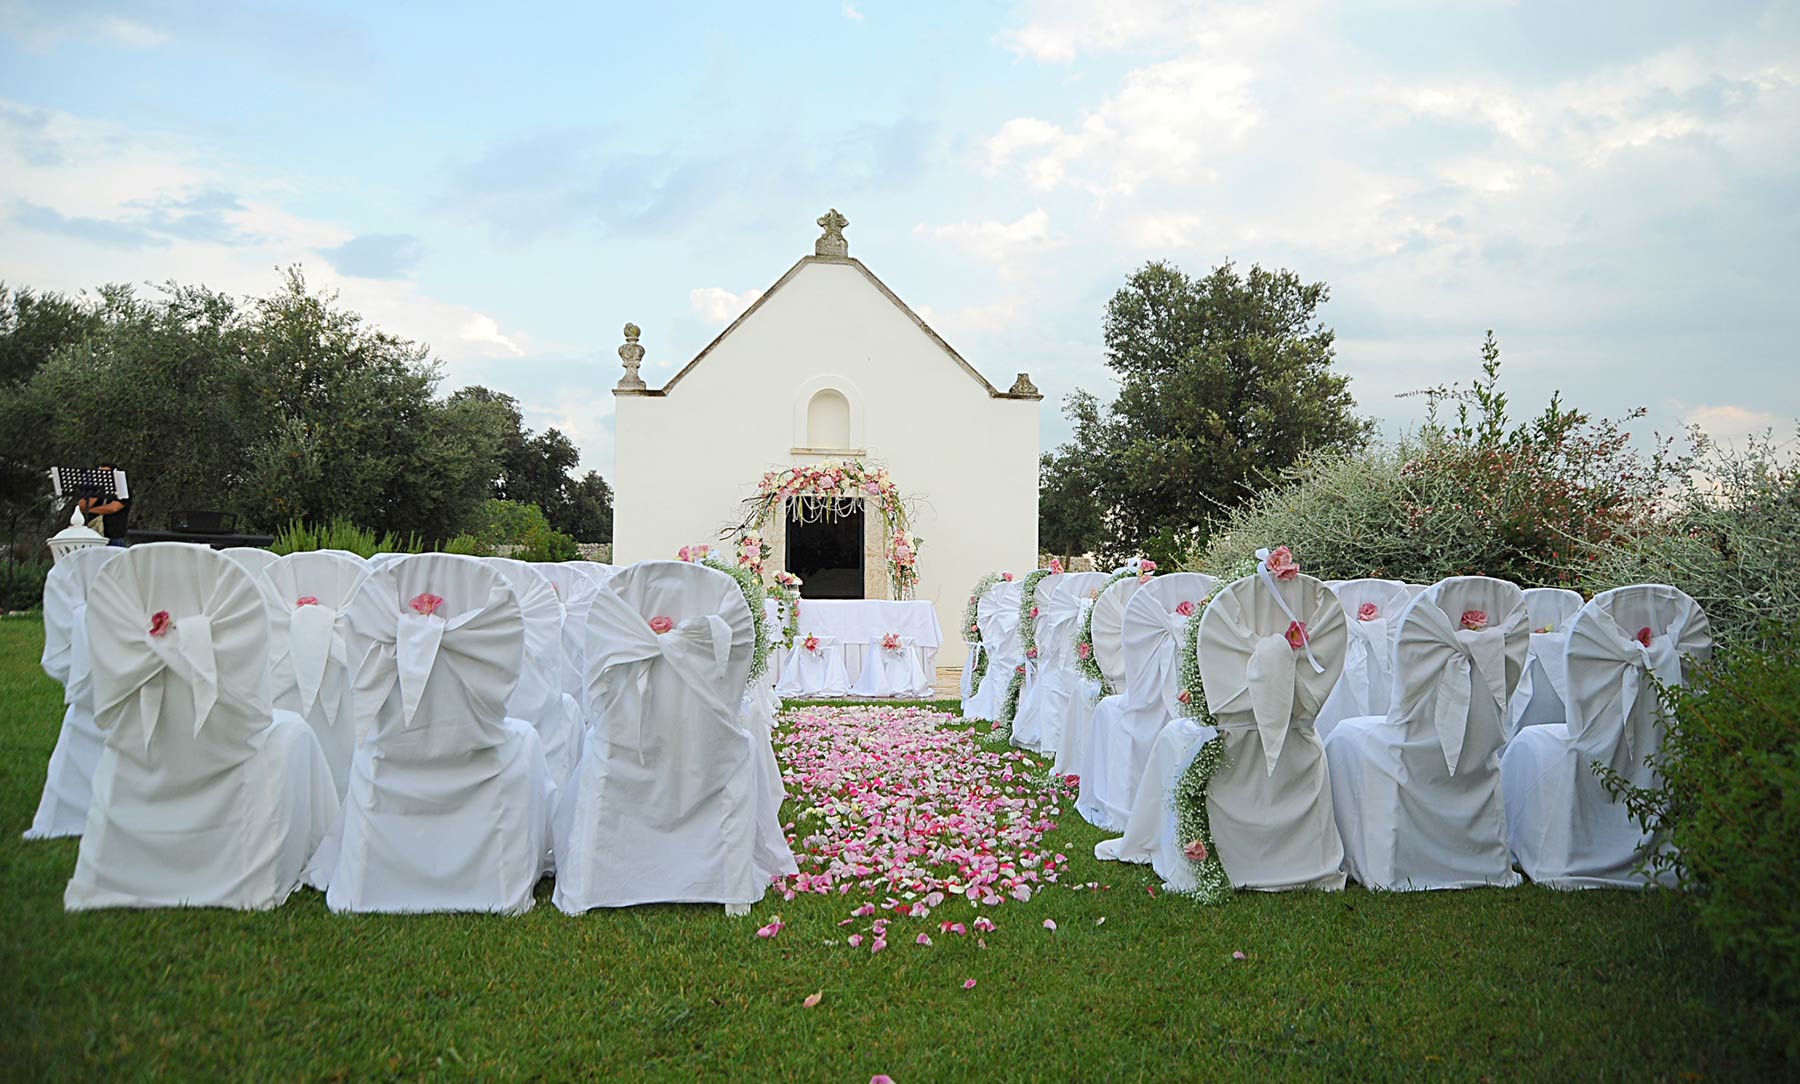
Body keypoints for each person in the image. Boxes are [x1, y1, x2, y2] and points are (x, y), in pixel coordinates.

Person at [77, 465, 131, 547]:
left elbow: (113, 508)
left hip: (113, 535)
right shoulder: (93, 490)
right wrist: (98, 492)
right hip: (93, 534)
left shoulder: (122, 490)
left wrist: (90, 510)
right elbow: (82, 506)